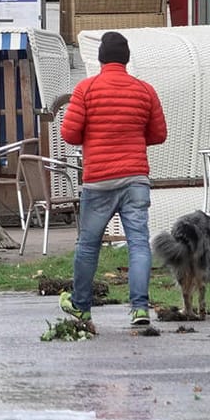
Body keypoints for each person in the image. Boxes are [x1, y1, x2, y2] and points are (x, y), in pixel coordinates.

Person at [58, 31, 168, 330]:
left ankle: (81, 307)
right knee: (138, 245)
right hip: (135, 179)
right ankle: (140, 308)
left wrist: (95, 135)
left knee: (88, 246)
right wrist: (131, 135)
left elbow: (69, 134)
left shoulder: (86, 89)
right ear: (126, 59)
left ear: (101, 58)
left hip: (99, 181)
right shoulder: (144, 90)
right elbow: (159, 134)